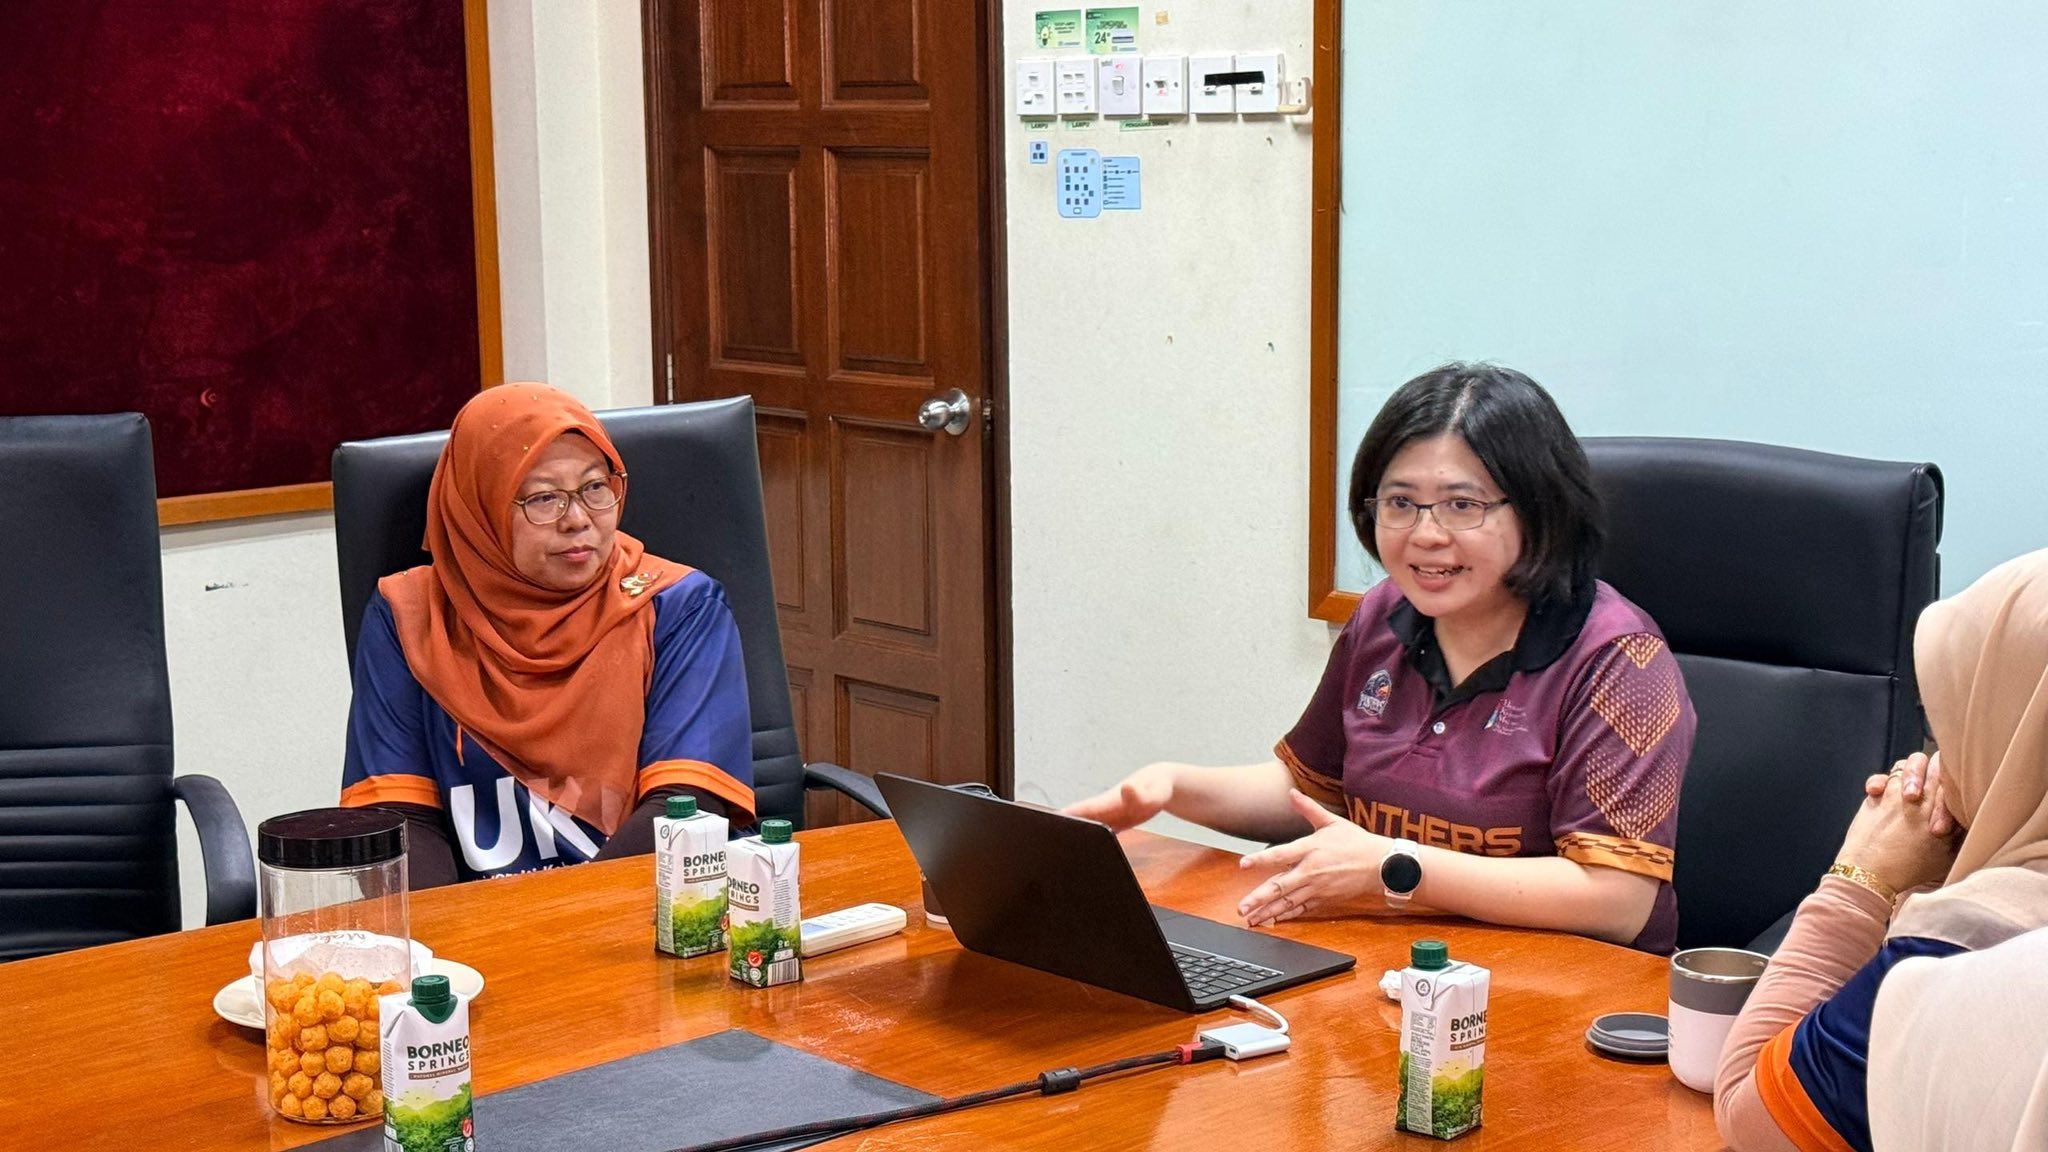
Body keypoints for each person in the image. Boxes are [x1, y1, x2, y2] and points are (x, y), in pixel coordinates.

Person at [1067, 363, 1696, 952]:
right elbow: (1309, 790)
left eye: (1463, 505)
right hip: (1397, 964)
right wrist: (1172, 786)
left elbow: (1617, 899)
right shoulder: (1382, 617)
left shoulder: (1619, 660)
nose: (1425, 534)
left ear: (1539, 510)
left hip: (1569, 990)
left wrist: (1395, 867)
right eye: (1400, 503)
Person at [339, 384, 754, 886]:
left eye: (595, 487)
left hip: (644, 904)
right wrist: (452, 934)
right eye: (543, 498)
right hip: (480, 918)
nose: (578, 520)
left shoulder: (677, 604)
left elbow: (687, 806)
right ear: (481, 510)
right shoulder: (410, 615)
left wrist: (566, 920)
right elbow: (398, 819)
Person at [1713, 548, 2048, 1152]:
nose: (1935, 763)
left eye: (1949, 730)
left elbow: (1751, 1116)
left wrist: (1860, 880)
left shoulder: (1965, 958)